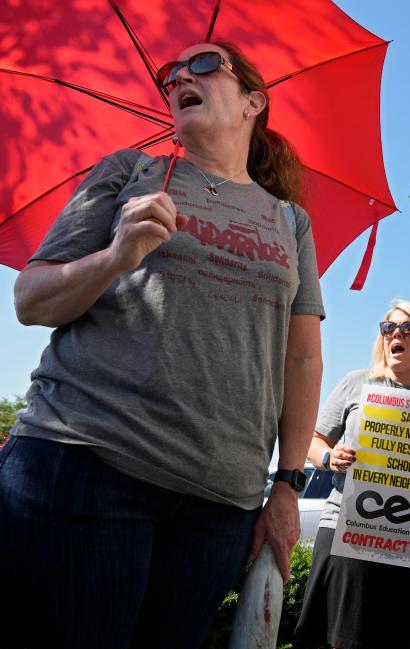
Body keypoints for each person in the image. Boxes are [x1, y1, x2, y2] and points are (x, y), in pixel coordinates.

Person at [0, 41, 325, 648]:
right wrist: (114, 256)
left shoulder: (290, 222)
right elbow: (31, 300)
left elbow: (301, 356)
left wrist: (287, 484)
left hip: (220, 506)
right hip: (84, 467)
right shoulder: (129, 173)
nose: (179, 77)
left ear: (255, 101)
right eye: (169, 74)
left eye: (202, 65)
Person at [294, 300, 410, 649]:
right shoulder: (356, 383)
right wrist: (330, 457)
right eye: (388, 328)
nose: (396, 334)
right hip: (348, 531)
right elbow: (313, 440)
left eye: (408, 329)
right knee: (340, 637)